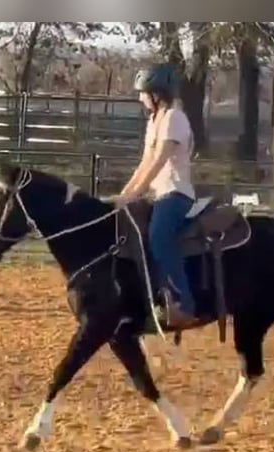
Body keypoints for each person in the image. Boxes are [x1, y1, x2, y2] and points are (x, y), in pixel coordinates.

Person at [115, 63, 199, 329]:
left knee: (159, 237)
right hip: (158, 194)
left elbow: (160, 161)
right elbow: (144, 164)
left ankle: (183, 305)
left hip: (175, 194)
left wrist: (135, 194)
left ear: (157, 94)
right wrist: (123, 196)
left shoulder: (175, 117)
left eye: (143, 93)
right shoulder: (155, 121)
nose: (140, 98)